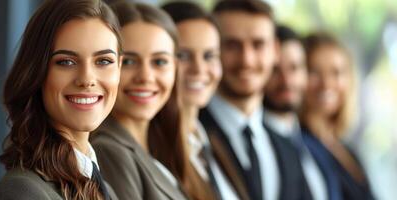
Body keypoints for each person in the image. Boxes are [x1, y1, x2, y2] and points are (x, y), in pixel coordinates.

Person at [0, 0, 122, 199]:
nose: (87, 79)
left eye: (104, 61)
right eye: (66, 62)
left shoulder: (105, 189)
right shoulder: (22, 191)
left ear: (119, 67)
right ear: (36, 71)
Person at [199, 1, 311, 199]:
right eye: (232, 45)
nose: (246, 60)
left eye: (258, 44)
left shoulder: (287, 149)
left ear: (275, 50)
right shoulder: (188, 134)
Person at [90, 2, 188, 200]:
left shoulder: (161, 147)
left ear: (175, 68)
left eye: (159, 62)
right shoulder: (109, 150)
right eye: (128, 62)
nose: (145, 77)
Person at [162, 2, 237, 200]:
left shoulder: (211, 141)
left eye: (209, 56)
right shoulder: (153, 150)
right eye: (183, 55)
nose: (199, 69)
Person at [300, 32, 375, 200]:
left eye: (336, 72)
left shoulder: (346, 148)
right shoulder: (298, 145)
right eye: (314, 71)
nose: (326, 83)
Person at [263, 25, 327, 200]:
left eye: (294, 68)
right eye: (275, 69)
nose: (286, 80)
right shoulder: (257, 144)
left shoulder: (311, 142)